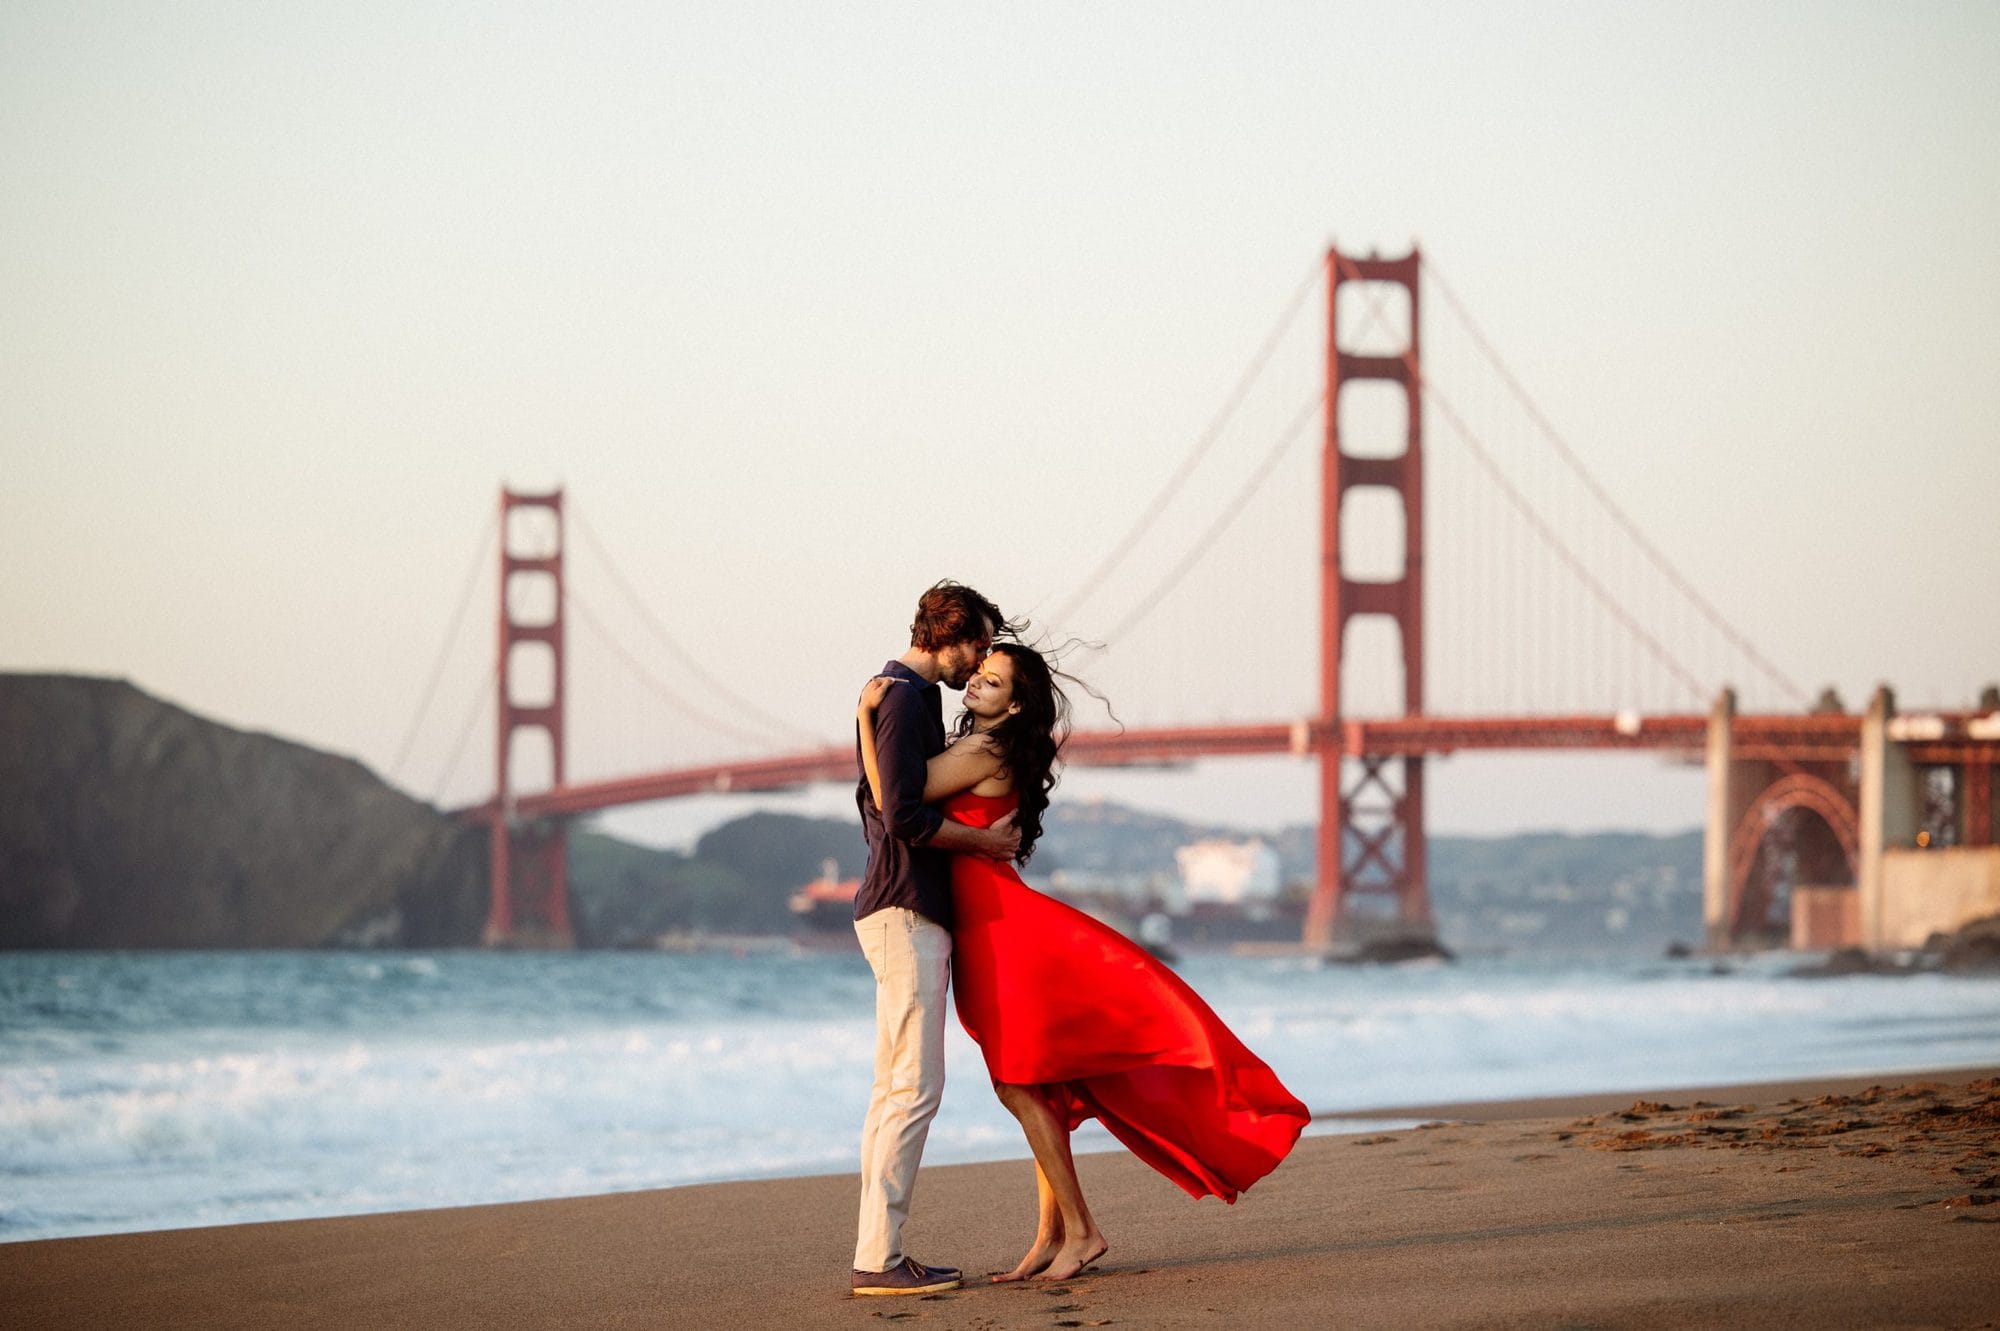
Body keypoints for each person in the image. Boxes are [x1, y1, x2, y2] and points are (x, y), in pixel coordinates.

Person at [858, 641, 1309, 1283]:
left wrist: (863, 721)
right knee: (1034, 1080)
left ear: (1014, 704)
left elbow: (893, 805)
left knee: (1016, 1081)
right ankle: (1051, 1236)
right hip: (993, 920)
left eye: (992, 682)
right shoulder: (987, 748)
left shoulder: (983, 750)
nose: (977, 686)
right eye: (978, 676)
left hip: (998, 930)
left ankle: (1084, 1230)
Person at [850, 580, 1023, 1299]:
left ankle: (877, 1252)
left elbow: (883, 799)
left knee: (894, 1089)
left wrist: (864, 718)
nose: (979, 661)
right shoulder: (899, 698)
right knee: (915, 1088)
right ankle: (880, 1261)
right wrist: (986, 845)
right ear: (944, 634)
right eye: (977, 644)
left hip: (897, 907)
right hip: (906, 907)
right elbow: (902, 817)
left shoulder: (895, 700)